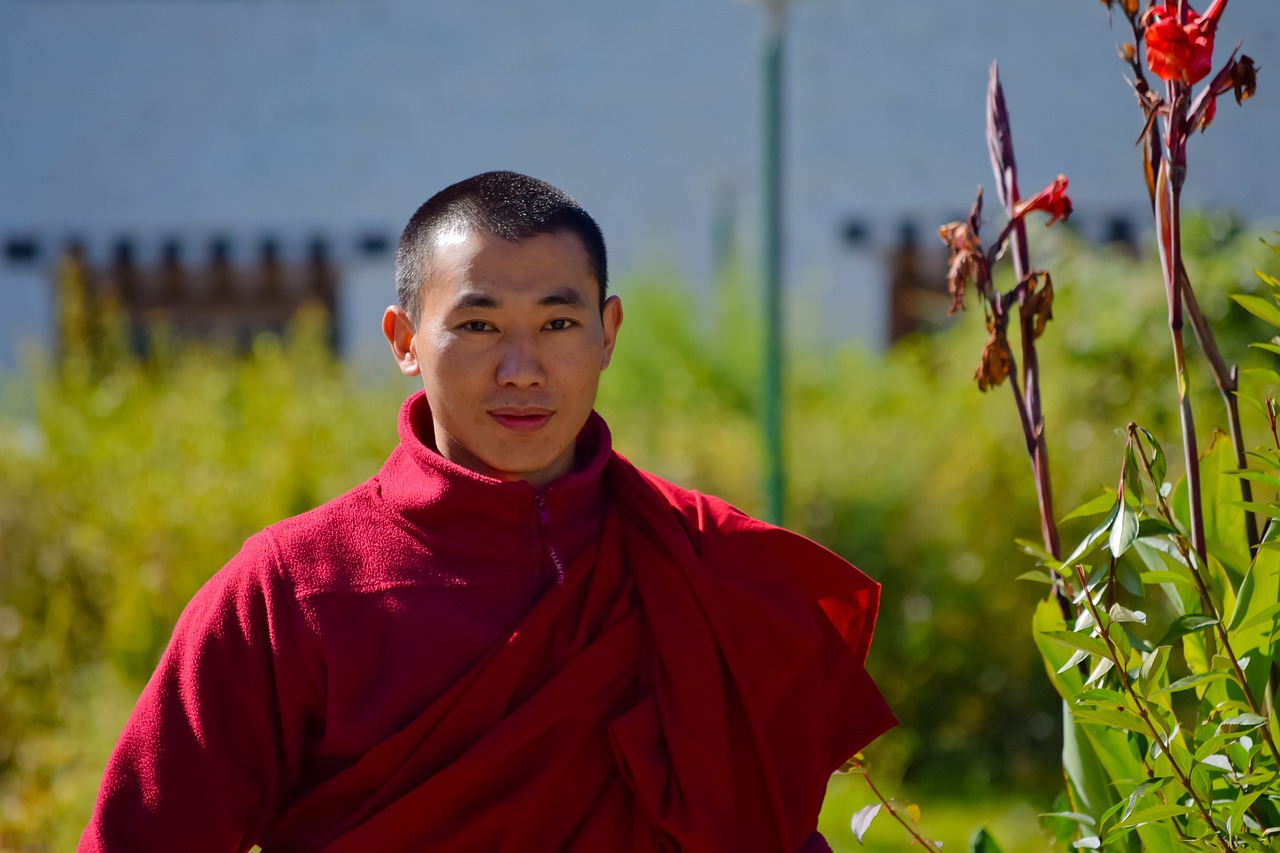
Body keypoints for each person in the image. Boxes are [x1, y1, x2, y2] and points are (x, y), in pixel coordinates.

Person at [81, 171, 895, 852]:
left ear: (608, 333)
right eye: (477, 325)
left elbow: (769, 829)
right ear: (405, 340)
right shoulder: (291, 588)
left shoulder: (704, 563)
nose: (521, 369)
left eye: (558, 323)